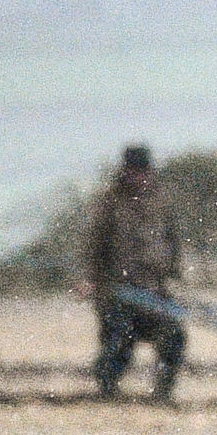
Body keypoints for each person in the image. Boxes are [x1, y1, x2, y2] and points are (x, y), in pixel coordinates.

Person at [78, 143, 186, 400]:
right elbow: (94, 245)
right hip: (118, 292)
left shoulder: (160, 202)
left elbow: (173, 241)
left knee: (173, 335)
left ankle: (163, 393)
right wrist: (91, 280)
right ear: (125, 171)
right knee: (119, 340)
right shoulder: (110, 203)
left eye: (143, 171)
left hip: (154, 290)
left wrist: (174, 274)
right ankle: (107, 390)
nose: (139, 176)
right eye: (133, 171)